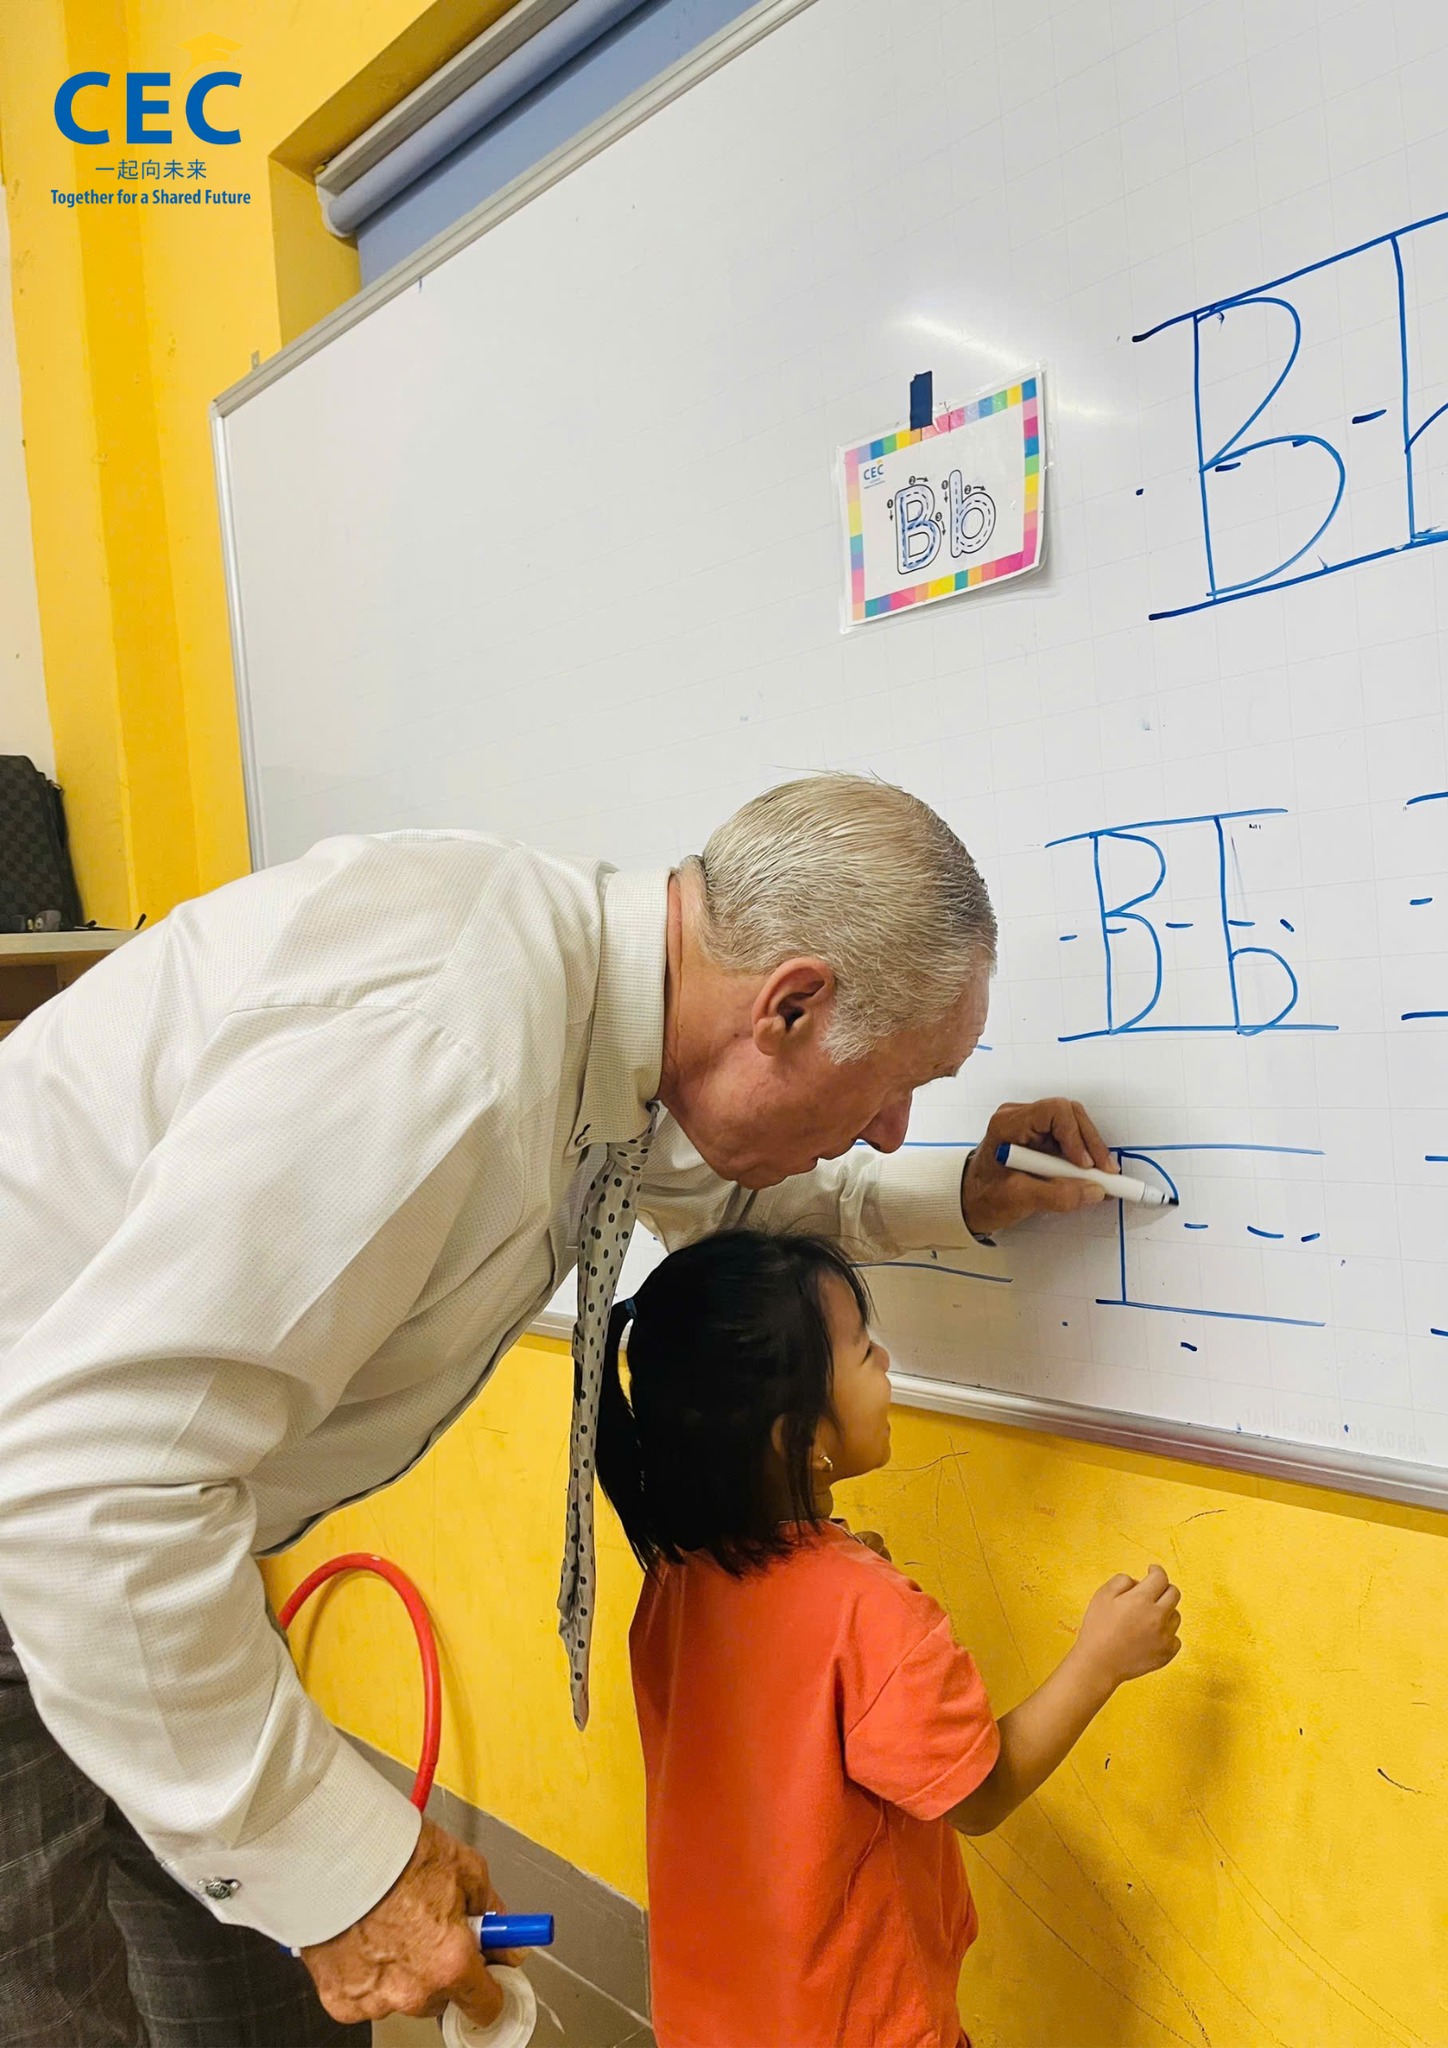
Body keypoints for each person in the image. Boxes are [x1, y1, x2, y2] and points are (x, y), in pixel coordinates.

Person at [0, 773, 1114, 2043]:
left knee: (257, 2007)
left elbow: (720, 1197)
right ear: (789, 1004)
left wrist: (964, 1194)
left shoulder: (596, 1033)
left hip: (140, 1556)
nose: (884, 1130)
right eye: (890, 1087)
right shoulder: (445, 1047)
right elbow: (87, 1491)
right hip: (59, 1533)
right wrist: (345, 1869)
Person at [597, 1229, 1183, 2048]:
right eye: (864, 1350)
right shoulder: (869, 1613)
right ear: (796, 1436)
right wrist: (1101, 1658)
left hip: (709, 2022)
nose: (885, 1363)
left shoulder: (673, 1584)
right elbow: (979, 1794)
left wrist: (847, 1587)